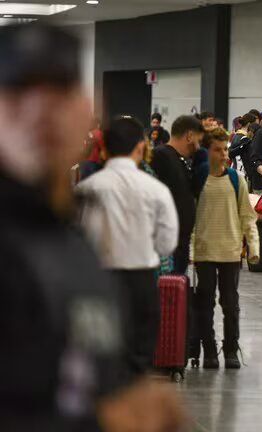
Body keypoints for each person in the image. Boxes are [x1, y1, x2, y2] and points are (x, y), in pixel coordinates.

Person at [0, 23, 185, 431]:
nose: (39, 112)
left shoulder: (71, 238)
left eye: (58, 92)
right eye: (17, 93)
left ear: (87, 109)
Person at [77, 116, 179, 375]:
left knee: (98, 361)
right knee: (138, 359)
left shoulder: (86, 190)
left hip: (96, 284)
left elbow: (73, 242)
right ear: (140, 147)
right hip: (141, 282)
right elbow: (167, 244)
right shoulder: (156, 190)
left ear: (104, 149)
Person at [192, 128, 259, 370]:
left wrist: (253, 245)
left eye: (225, 149)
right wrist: (191, 249)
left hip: (230, 252)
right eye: (217, 150)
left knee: (231, 303)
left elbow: (247, 215)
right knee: (205, 303)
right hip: (204, 252)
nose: (223, 155)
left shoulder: (236, 179)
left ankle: (231, 348)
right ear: (206, 151)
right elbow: (192, 218)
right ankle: (208, 351)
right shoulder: (197, 179)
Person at [151, 115, 205, 275]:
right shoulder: (160, 156)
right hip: (168, 244)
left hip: (181, 240)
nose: (198, 146)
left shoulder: (181, 160)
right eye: (198, 140)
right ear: (189, 136)